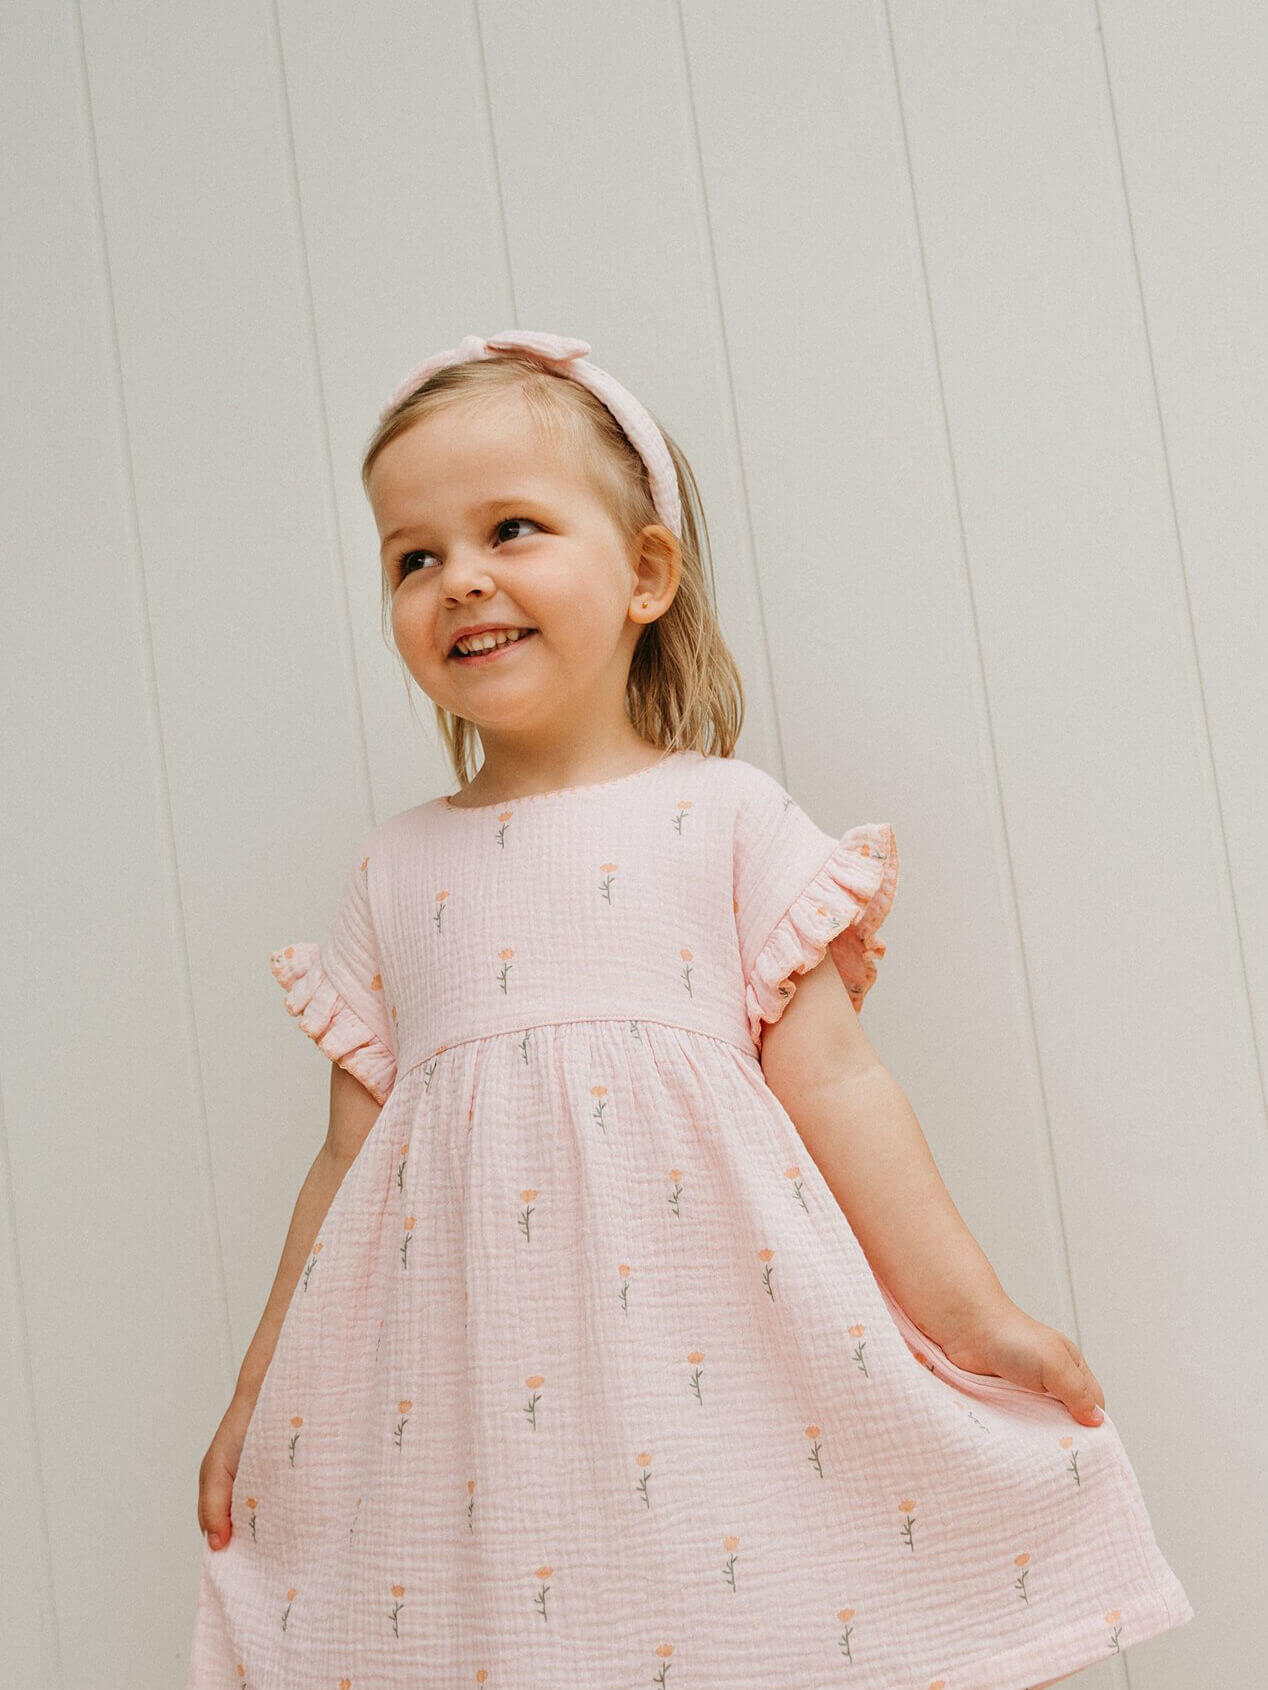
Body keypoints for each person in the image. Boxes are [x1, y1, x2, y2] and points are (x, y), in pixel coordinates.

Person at [184, 330, 1193, 1689]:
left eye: (511, 528)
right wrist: (260, 1395)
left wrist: (973, 1312)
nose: (459, 577)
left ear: (647, 573)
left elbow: (839, 1087)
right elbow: (344, 1162)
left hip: (710, 1358)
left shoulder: (725, 819)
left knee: (729, 1612)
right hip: (481, 1404)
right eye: (413, 556)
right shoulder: (396, 869)